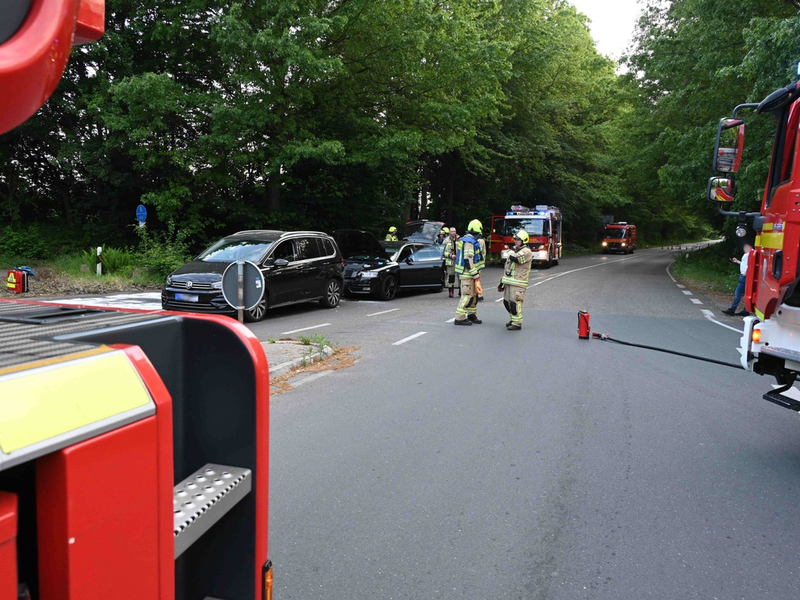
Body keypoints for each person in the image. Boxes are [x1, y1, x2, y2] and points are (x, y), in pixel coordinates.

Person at [498, 229, 533, 330]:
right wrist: (502, 283)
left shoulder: (526, 251)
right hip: (509, 282)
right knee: (506, 302)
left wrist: (511, 252)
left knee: (515, 303)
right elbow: (507, 268)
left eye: (518, 240)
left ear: (524, 241)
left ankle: (517, 323)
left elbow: (517, 259)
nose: (516, 241)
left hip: (519, 283)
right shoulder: (515, 251)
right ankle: (513, 319)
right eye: (516, 239)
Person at [453, 219, 484, 326]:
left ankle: (472, 315)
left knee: (473, 295)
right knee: (467, 295)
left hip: (470, 273)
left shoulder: (468, 240)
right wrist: (474, 273)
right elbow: (468, 259)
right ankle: (459, 318)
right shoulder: (469, 242)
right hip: (467, 273)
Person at [723, 243, 753, 316]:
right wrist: (737, 261)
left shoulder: (750, 254)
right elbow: (745, 263)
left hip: (744, 276)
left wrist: (746, 272)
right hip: (744, 275)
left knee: (738, 292)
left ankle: (733, 309)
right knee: (746, 293)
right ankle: (745, 310)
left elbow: (751, 264)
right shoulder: (748, 254)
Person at [443, 227, 460, 298]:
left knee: (460, 277)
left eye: (454, 231)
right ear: (449, 232)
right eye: (452, 231)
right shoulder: (446, 241)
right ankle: (451, 292)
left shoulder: (459, 239)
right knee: (451, 276)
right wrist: (450, 255)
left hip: (458, 261)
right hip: (450, 261)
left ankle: (461, 291)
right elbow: (443, 252)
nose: (453, 233)